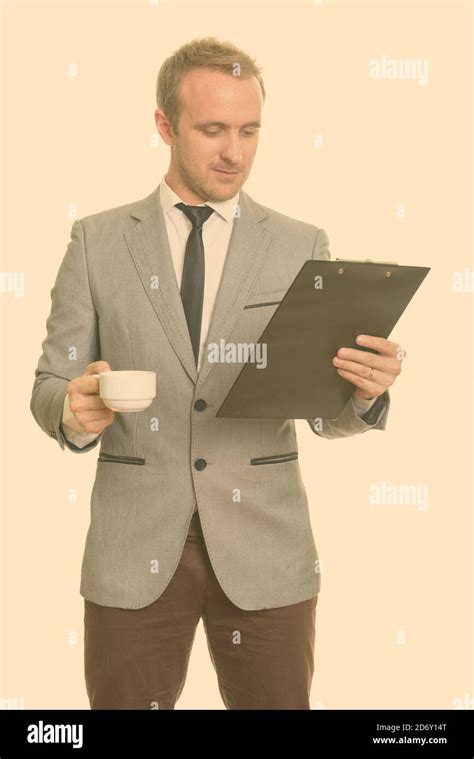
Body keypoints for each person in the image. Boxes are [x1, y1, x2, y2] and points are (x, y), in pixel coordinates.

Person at [30, 37, 401, 710]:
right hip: (131, 552)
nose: (235, 151)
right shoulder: (97, 241)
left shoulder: (300, 244)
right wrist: (71, 410)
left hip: (268, 550)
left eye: (249, 130)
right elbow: (48, 384)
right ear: (165, 126)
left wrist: (365, 395)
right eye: (212, 130)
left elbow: (324, 412)